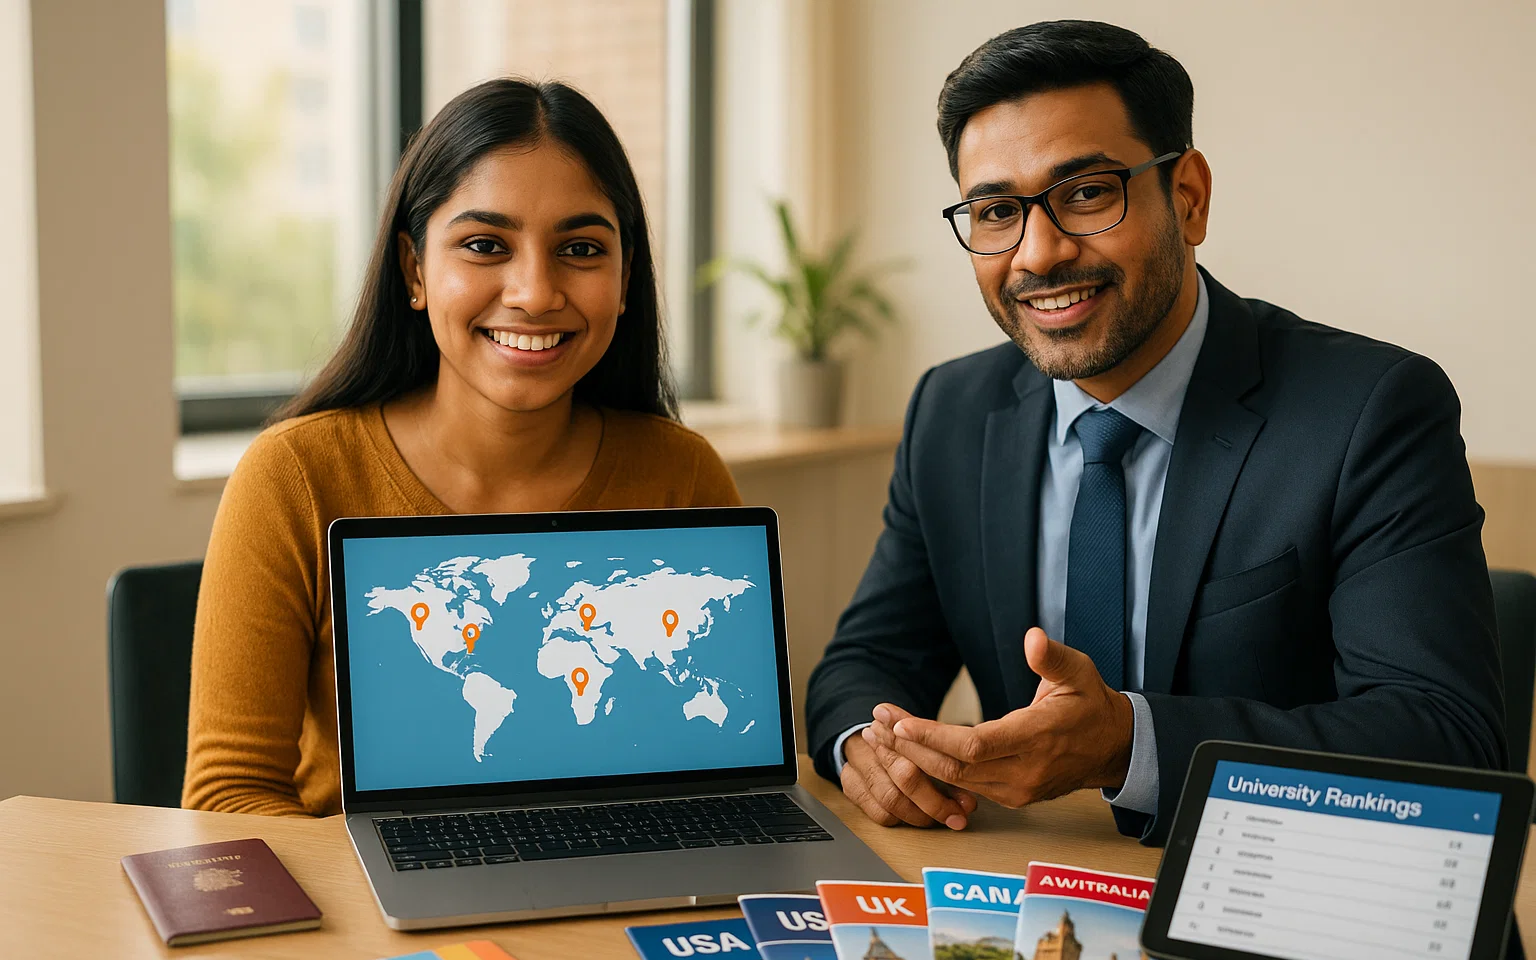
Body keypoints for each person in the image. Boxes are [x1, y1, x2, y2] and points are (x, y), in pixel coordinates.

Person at [805, 20, 1505, 846]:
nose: (1040, 253)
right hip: (1023, 891)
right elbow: (860, 668)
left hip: (1269, 889)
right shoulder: (952, 411)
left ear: (1189, 196)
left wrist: (1130, 745)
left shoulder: (1370, 410)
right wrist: (869, 749)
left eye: (1088, 193)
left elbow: (1446, 741)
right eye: (996, 211)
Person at [183, 79, 740, 816]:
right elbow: (231, 793)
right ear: (415, 270)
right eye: (485, 245)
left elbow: (730, 760)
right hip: (367, 915)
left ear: (625, 276)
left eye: (580, 248)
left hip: (627, 903)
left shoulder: (683, 473)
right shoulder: (294, 476)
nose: (535, 292)